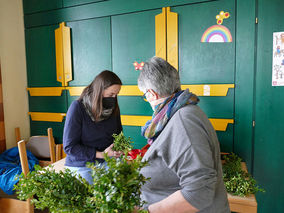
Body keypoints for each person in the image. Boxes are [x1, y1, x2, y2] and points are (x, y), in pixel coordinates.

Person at [138, 57, 230, 213]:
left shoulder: (183, 120)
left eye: (145, 96)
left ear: (151, 94)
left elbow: (200, 191)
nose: (147, 99)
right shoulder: (181, 111)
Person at [63, 70, 123, 184]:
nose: (114, 98)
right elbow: (70, 147)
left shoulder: (113, 107)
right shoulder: (77, 108)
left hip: (107, 161)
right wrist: (101, 155)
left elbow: (119, 134)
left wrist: (119, 149)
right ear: (99, 91)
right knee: (93, 197)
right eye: (111, 94)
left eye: (116, 94)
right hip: (83, 164)